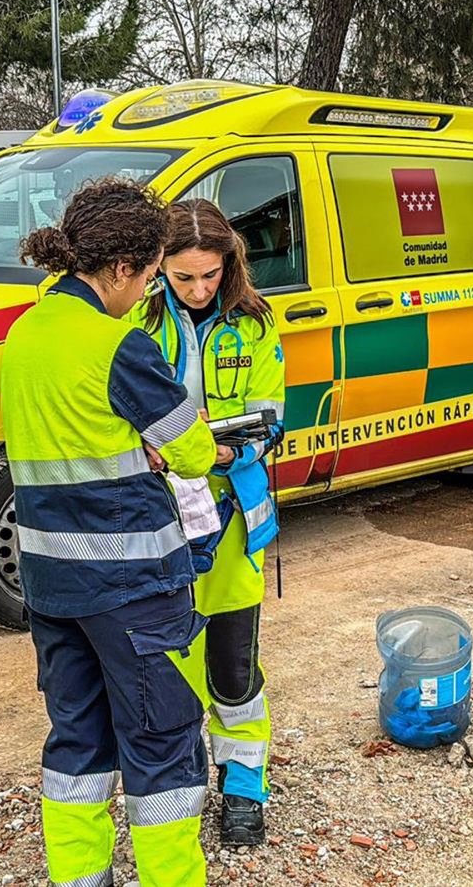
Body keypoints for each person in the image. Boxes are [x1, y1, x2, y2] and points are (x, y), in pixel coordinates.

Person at [0, 177, 223, 887]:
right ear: (122, 267)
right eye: (152, 274)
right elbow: (191, 452)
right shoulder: (118, 344)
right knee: (163, 746)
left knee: (77, 742)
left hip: (50, 583)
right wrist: (183, 441)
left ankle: (79, 877)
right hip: (133, 585)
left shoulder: (25, 333)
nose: (150, 288)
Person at [134, 199, 285, 845]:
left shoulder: (254, 323)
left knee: (233, 666)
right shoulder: (136, 321)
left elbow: (270, 421)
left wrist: (219, 451)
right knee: (169, 664)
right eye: (184, 277)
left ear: (230, 263)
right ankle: (182, 781)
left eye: (211, 275)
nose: (198, 290)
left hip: (232, 519)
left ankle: (244, 785)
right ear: (158, 267)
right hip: (159, 517)